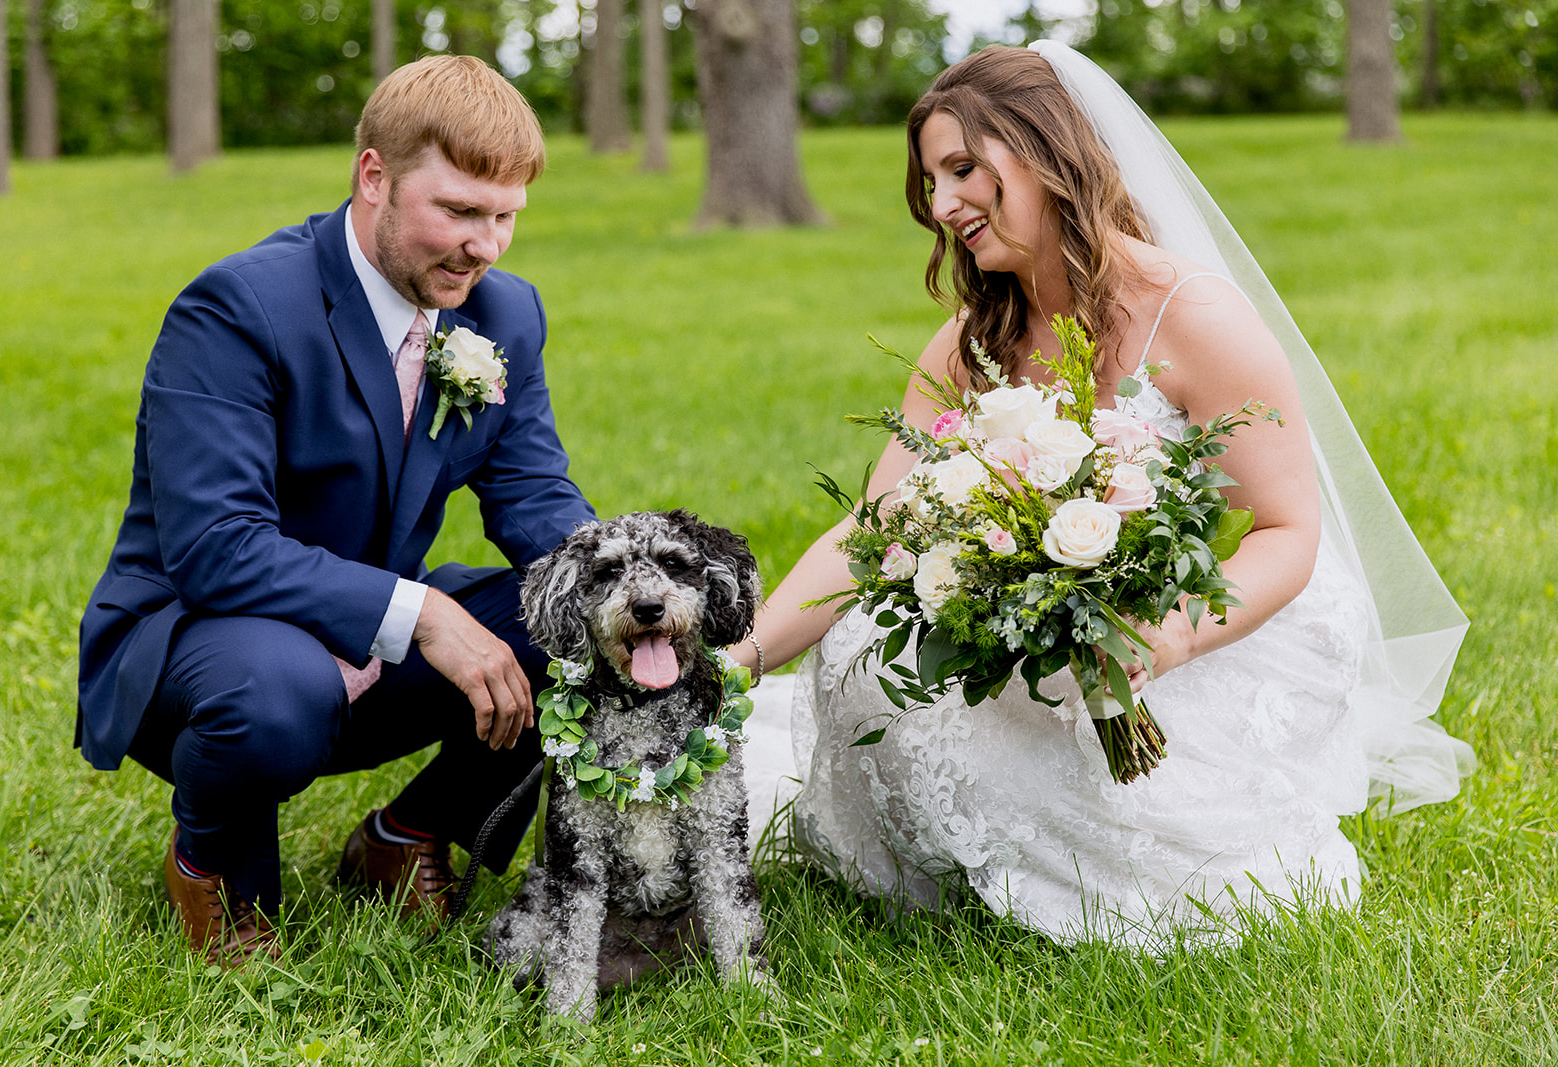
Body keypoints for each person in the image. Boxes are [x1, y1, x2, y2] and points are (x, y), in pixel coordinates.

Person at [734, 42, 1475, 947]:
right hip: (1032, 630)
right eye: (931, 181)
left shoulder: (1192, 316)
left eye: (964, 168)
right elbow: (875, 526)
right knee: (859, 646)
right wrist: (749, 652)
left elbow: (1287, 531)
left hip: (1201, 630)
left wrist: (1161, 641)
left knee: (1181, 872)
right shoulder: (970, 340)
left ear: (1047, 151)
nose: (943, 205)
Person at [76, 55, 595, 964]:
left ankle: (408, 835)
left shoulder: (502, 315)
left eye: (506, 217)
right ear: (373, 176)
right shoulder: (239, 307)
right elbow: (216, 548)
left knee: (583, 618)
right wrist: (423, 611)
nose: (486, 246)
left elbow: (532, 493)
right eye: (460, 212)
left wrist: (629, 589)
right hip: (204, 643)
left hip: (371, 647)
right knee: (280, 691)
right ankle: (213, 866)